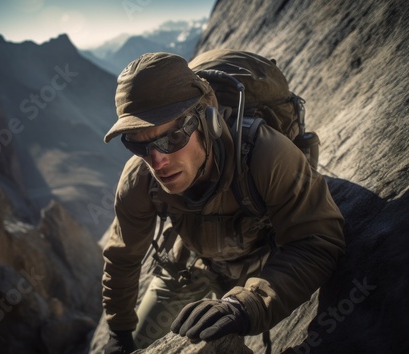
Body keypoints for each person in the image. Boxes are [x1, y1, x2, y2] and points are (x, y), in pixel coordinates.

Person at [101, 51, 345, 353]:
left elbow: (317, 241)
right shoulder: (140, 179)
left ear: (209, 121)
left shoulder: (267, 154)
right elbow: (123, 257)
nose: (157, 160)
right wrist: (118, 331)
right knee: (136, 342)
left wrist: (243, 306)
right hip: (195, 262)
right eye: (137, 144)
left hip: (263, 255)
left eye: (172, 138)